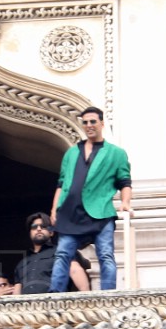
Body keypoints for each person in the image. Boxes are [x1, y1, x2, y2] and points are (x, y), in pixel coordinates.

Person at [50, 106, 132, 292]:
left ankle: (108, 294)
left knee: (105, 254)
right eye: (85, 122)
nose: (89, 125)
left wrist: (126, 203)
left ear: (102, 124)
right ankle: (54, 295)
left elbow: (125, 181)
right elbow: (61, 183)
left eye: (93, 121)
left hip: (100, 210)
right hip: (70, 212)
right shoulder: (71, 152)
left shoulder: (115, 153)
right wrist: (55, 209)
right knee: (63, 254)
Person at [12, 212, 90, 294]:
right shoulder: (22, 263)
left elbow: (75, 271)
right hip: (27, 306)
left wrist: (87, 297)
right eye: (34, 227)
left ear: (51, 232)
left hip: (54, 304)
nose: (39, 229)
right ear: (30, 233)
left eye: (43, 226)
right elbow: (17, 291)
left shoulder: (62, 252)